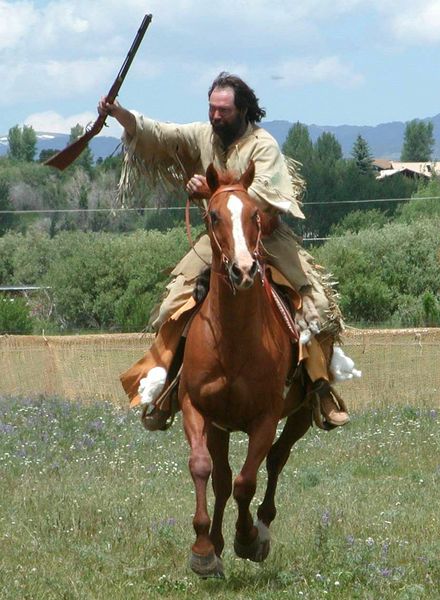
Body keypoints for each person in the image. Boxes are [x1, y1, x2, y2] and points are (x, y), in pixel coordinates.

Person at [98, 72, 357, 430]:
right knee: (174, 305)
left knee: (315, 305)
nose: (216, 117)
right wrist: (120, 113)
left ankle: (319, 388)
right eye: (212, 109)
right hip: (218, 240)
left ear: (243, 110)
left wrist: (212, 192)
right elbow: (160, 133)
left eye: (224, 111)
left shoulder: (263, 145)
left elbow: (264, 194)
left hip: (264, 237)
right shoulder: (204, 136)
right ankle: (166, 390)